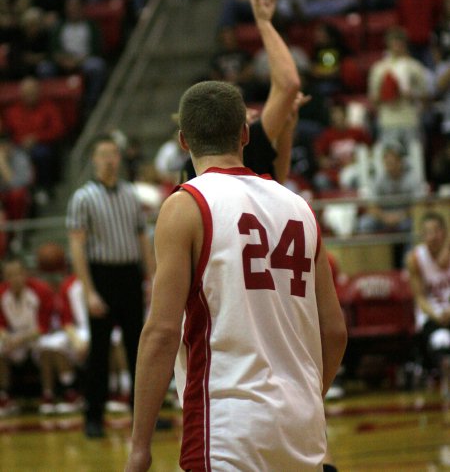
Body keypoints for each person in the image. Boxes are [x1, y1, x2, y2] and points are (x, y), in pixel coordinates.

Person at [125, 80, 347, 472]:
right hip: (303, 428)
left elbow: (161, 333)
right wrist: (305, 398)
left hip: (228, 429)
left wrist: (140, 445)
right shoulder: (299, 206)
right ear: (245, 134)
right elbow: (334, 332)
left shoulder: (185, 206)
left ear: (183, 140)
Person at [67, 133, 154, 438]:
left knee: (137, 350)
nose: (109, 158)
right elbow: (77, 246)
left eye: (113, 153)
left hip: (130, 274)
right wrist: (89, 290)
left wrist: (152, 277)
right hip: (101, 275)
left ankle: (141, 416)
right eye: (103, 153)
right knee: (100, 352)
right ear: (94, 158)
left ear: (119, 157)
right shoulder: (83, 197)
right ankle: (94, 417)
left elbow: (143, 237)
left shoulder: (131, 193)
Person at [181, 0, 301, 183]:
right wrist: (263, 23)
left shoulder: (190, 173)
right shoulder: (250, 141)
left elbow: (277, 179)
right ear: (243, 132)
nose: (252, 112)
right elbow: (289, 84)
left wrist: (286, 131)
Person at [0, 258, 56, 416]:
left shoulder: (42, 290)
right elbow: (1, 325)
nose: (15, 278)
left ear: (25, 274)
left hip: (36, 335)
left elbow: (44, 327)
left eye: (18, 274)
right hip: (13, 337)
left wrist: (20, 340)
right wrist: (6, 338)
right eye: (10, 275)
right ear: (5, 277)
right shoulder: (1, 294)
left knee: (46, 348)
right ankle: (5, 396)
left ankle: (48, 395)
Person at [406, 213, 450, 386]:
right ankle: (445, 373)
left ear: (444, 233)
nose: (432, 236)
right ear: (423, 236)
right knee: (440, 340)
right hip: (432, 313)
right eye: (427, 232)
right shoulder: (415, 259)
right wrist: (438, 316)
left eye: (436, 231)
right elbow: (420, 298)